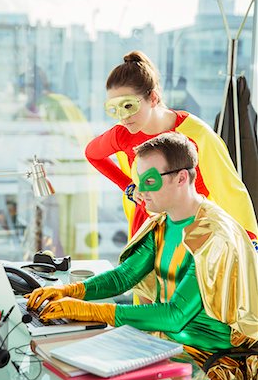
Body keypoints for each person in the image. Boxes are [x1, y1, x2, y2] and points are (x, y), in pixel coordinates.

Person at [27, 132, 258, 380]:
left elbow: (175, 315)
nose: (140, 190)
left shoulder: (214, 235)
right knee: (72, 378)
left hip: (207, 362)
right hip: (160, 345)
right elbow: (123, 277)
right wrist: (68, 291)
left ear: (182, 178)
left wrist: (85, 310)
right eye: (139, 180)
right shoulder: (162, 222)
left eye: (150, 181)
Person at [85, 51, 257, 244]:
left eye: (128, 106)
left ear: (153, 98)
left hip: (194, 232)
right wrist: (129, 187)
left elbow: (229, 189)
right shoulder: (122, 134)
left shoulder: (196, 134)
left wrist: (250, 240)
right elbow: (92, 154)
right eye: (113, 109)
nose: (122, 117)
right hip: (148, 229)